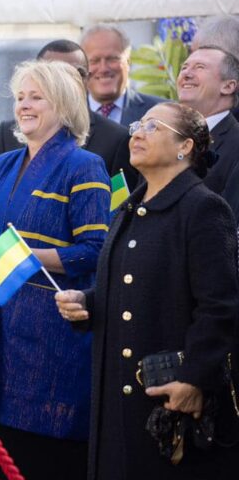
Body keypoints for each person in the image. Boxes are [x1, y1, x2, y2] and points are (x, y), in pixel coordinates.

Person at [0, 61, 110, 480]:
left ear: (65, 104)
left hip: (46, 342)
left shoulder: (83, 165)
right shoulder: (2, 165)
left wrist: (28, 257)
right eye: (20, 97)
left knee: (40, 464)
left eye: (36, 96)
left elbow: (96, 250)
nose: (24, 105)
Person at [56, 102, 239, 480]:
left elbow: (219, 307)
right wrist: (87, 303)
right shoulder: (129, 208)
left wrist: (194, 379)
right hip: (117, 401)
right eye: (138, 124)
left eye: (152, 127)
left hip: (169, 403)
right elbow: (130, 284)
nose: (136, 132)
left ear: (184, 146)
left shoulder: (203, 208)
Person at [0, 38, 137, 187]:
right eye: (55, 74)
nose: (67, 81)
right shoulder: (8, 134)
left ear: (88, 78)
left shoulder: (116, 139)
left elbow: (121, 207)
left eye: (76, 73)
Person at [177, 46, 239, 196]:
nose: (186, 74)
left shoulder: (236, 143)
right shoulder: (166, 136)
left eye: (200, 67)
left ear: (228, 86)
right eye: (184, 67)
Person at [81, 24, 165, 125]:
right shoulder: (66, 115)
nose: (103, 68)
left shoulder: (160, 113)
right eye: (94, 60)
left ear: (128, 61)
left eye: (112, 59)